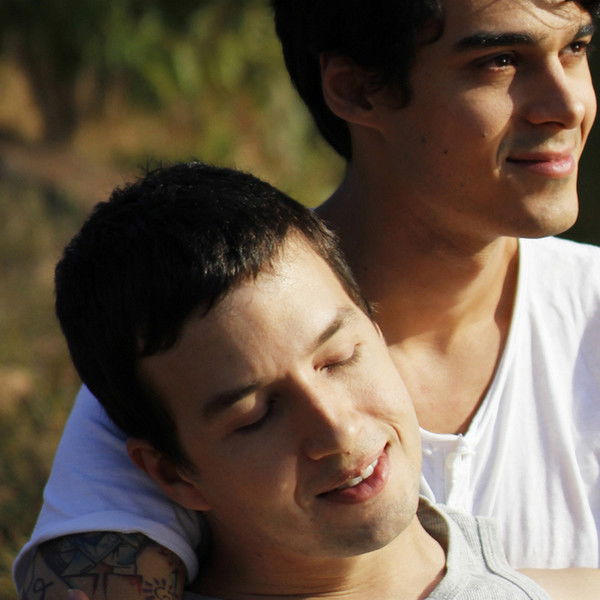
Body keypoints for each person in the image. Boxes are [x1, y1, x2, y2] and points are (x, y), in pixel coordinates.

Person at [14, 0, 600, 598]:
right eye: (499, 61)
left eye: (575, 48)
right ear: (357, 88)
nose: (570, 105)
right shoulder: (180, 341)